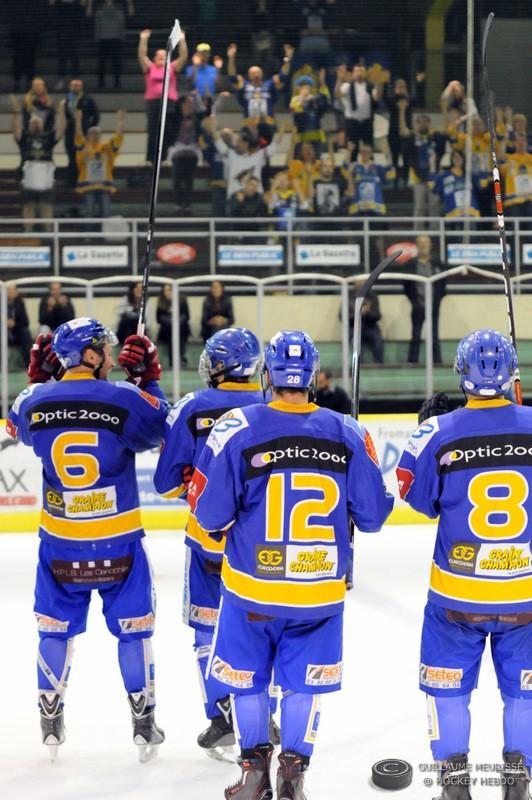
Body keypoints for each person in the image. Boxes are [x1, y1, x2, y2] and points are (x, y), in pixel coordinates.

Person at [190, 330, 393, 799]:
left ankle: (253, 774)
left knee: (248, 679)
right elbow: (375, 515)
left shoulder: (235, 426)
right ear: (313, 378)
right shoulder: (348, 431)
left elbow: (210, 514)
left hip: (252, 589)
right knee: (304, 684)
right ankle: (293, 778)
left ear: (268, 375)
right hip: (318, 591)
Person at [6, 318, 167, 761]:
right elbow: (160, 429)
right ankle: (143, 723)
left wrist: (42, 380)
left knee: (55, 632)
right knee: (134, 634)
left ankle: (50, 720)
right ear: (92, 356)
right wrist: (146, 377)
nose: (112, 357)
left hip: (61, 545)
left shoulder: (32, 399)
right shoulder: (124, 397)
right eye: (105, 350)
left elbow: (18, 428)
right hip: (119, 542)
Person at [397, 328, 532, 800]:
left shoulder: (437, 432)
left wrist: (433, 430)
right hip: (525, 595)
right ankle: (518, 784)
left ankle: (454, 787)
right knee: (525, 691)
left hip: (458, 597)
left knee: (447, 688)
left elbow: (419, 500)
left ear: (462, 374)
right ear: (512, 373)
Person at [154, 329, 270, 758]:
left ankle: (219, 714)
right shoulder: (274, 407)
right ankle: (262, 713)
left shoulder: (193, 407)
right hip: (261, 548)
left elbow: (166, 483)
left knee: (207, 629)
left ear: (220, 366)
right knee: (260, 630)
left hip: (207, 541)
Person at [12, 98, 66, 230]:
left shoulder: (48, 137)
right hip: (28, 175)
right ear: (29, 125)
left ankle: (48, 234)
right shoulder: (24, 137)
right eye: (33, 122)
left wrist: (61, 112)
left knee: (46, 206)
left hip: (45, 175)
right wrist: (16, 112)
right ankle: (28, 233)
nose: (36, 124)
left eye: (38, 122)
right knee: (28, 205)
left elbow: (61, 130)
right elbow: (16, 129)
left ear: (42, 125)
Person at [137, 28, 188, 164]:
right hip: (153, 102)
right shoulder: (150, 67)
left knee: (167, 130)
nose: (162, 57)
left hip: (169, 101)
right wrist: (144, 39)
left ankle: (164, 157)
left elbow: (183, 56)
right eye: (159, 55)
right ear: (154, 58)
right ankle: (150, 158)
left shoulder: (171, 68)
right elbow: (142, 55)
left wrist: (182, 40)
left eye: (165, 55)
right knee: (153, 130)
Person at [403, 236, 446, 365]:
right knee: (416, 335)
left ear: (430, 245)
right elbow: (406, 286)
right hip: (418, 306)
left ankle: (437, 363)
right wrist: (414, 302)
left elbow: (443, 285)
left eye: (426, 243)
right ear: (416, 245)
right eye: (420, 243)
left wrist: (437, 301)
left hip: (433, 306)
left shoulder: (438, 263)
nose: (423, 246)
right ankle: (412, 362)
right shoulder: (410, 265)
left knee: (434, 336)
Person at [75, 108, 125, 218]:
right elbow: (78, 135)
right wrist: (78, 121)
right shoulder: (84, 147)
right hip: (87, 187)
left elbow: (118, 138)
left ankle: (105, 235)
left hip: (104, 186)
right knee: (89, 213)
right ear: (88, 136)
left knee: (106, 213)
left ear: (101, 135)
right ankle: (88, 235)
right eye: (92, 133)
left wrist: (120, 121)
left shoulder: (106, 147)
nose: (94, 135)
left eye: (97, 133)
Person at [399, 112, 446, 222]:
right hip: (417, 177)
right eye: (419, 122)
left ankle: (435, 235)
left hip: (433, 177)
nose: (422, 124)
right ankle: (418, 235)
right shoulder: (411, 139)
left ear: (429, 124)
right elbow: (405, 154)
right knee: (419, 207)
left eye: (425, 122)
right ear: (416, 124)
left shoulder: (435, 137)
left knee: (434, 206)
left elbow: (442, 149)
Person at [167, 93, 207, 214]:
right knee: (177, 179)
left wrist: (198, 98)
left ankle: (188, 205)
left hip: (192, 149)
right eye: (188, 103)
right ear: (182, 104)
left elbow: (206, 112)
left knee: (189, 180)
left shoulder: (197, 117)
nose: (190, 106)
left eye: (191, 104)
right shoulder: (174, 117)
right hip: (178, 149)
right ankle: (178, 204)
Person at [335, 63, 383, 161]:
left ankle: (369, 172)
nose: (359, 73)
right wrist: (339, 79)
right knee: (352, 150)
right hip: (352, 123)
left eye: (362, 71)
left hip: (366, 123)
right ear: (353, 74)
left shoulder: (370, 86)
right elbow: (338, 94)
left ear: (365, 74)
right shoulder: (347, 86)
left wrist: (378, 81)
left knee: (369, 151)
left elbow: (377, 97)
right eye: (357, 71)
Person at [89, 0, 134, 89]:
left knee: (115, 63)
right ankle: (103, 82)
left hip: (114, 39)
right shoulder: (100, 11)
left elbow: (123, 23)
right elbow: (97, 25)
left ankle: (115, 82)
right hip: (105, 39)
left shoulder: (119, 11)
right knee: (103, 63)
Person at [63, 79, 100, 187]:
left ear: (81, 87)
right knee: (71, 157)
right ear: (70, 86)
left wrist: (89, 127)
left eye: (78, 85)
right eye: (74, 85)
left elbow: (96, 116)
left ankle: (85, 181)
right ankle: (71, 182)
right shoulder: (66, 100)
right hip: (70, 133)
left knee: (85, 157)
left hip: (84, 134)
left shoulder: (88, 99)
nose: (76, 87)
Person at [432, 149, 485, 222]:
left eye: (459, 157)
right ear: (451, 159)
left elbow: (482, 185)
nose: (457, 159)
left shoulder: (470, 175)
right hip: (452, 214)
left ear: (463, 159)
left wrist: (482, 165)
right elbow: (434, 188)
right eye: (455, 157)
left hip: (470, 213)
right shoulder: (444, 176)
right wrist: (432, 167)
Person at [347, 142, 395, 217]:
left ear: (371, 154)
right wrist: (349, 151)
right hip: (358, 208)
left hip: (376, 209)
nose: (365, 154)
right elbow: (344, 170)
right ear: (360, 153)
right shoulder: (355, 167)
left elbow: (391, 174)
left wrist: (387, 154)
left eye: (368, 152)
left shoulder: (377, 167)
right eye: (363, 152)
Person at [289, 73, 330, 157]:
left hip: (316, 135)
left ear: (311, 87)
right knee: (299, 160)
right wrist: (303, 98)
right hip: (301, 137)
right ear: (299, 87)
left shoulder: (316, 99)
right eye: (302, 85)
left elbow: (325, 105)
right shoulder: (294, 99)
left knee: (317, 160)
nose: (305, 87)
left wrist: (322, 84)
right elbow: (296, 114)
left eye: (307, 85)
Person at [48, 0, 86, 91]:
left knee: (75, 58)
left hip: (75, 34)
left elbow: (83, 10)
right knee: (62, 58)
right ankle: (61, 80)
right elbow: (51, 8)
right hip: (62, 34)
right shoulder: (59, 5)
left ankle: (75, 83)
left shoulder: (77, 5)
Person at [348, 282, 384, 364]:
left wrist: (369, 312)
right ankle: (359, 365)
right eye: (359, 283)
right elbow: (342, 316)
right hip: (354, 328)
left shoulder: (373, 297)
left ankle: (379, 365)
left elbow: (377, 316)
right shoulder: (349, 297)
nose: (361, 286)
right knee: (354, 341)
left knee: (378, 340)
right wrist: (357, 313)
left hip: (370, 327)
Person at [156, 284, 190, 367]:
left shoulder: (182, 300)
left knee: (178, 329)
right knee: (172, 330)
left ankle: (180, 357)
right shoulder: (161, 302)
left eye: (169, 290)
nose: (167, 293)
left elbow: (187, 316)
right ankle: (177, 359)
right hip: (166, 330)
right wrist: (170, 322)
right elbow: (158, 319)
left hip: (181, 328)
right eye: (165, 291)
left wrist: (177, 322)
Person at [7, 283, 33, 367]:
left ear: (16, 292)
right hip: (3, 332)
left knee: (25, 332)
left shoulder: (19, 303)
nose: (10, 292)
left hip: (16, 331)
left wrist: (14, 324)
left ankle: (29, 363)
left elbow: (25, 322)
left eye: (13, 290)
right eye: (8, 290)